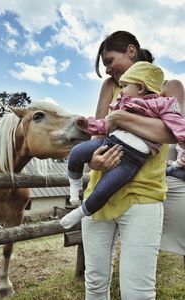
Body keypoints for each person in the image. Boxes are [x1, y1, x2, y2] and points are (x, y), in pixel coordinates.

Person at [78, 30, 185, 300]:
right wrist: (93, 158)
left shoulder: (169, 87)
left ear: (131, 51)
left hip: (143, 197)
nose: (108, 70)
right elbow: (98, 133)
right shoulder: (109, 87)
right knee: (95, 284)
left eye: (110, 61)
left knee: (137, 293)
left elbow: (172, 132)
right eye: (104, 66)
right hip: (99, 191)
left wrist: (119, 119)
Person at [60, 61, 185, 230]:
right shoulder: (123, 103)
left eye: (125, 85)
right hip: (110, 142)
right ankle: (74, 186)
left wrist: (182, 139)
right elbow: (105, 124)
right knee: (76, 152)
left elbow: (176, 123)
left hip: (131, 160)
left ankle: (80, 212)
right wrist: (88, 124)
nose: (122, 89)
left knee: (105, 189)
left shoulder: (161, 103)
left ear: (140, 87)